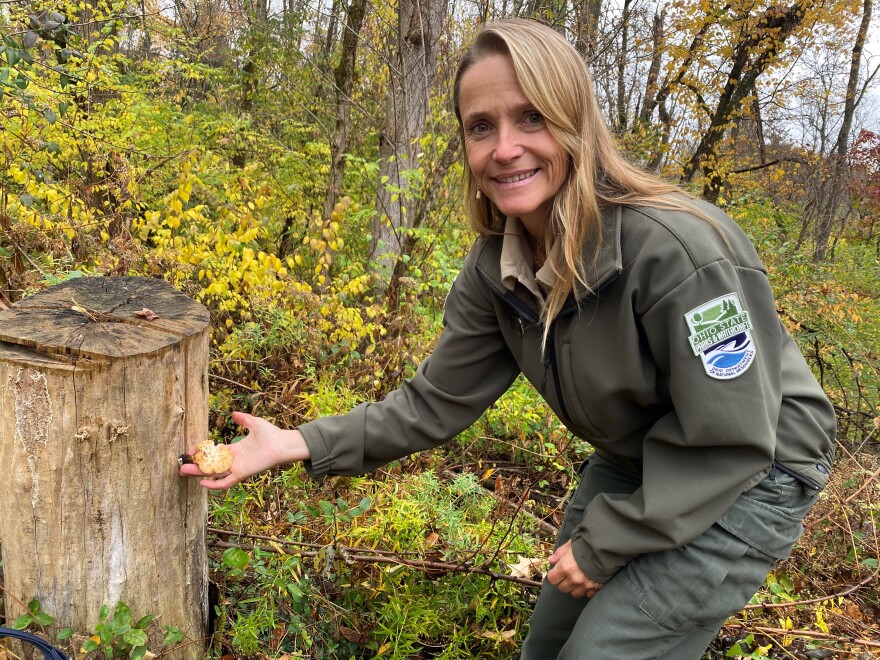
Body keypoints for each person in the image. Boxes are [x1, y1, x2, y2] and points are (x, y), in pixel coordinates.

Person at [180, 19, 836, 659]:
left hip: (755, 472)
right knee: (547, 643)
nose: (503, 148)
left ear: (575, 120)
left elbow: (734, 439)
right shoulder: (498, 268)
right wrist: (290, 444)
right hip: (644, 452)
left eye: (531, 118)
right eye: (480, 127)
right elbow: (431, 403)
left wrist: (606, 542)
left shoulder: (680, 255)